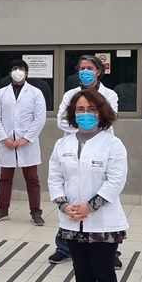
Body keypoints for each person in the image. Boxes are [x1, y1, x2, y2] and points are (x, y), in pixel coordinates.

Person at [48, 88, 128, 282]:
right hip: (71, 220)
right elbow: (55, 178)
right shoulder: (62, 144)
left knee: (103, 271)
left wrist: (91, 206)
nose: (85, 114)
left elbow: (116, 181)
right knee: (81, 270)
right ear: (73, 114)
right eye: (80, 110)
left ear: (101, 113)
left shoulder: (113, 144)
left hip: (103, 222)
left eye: (91, 110)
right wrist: (64, 205)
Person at [51, 55, 121, 267]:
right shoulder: (70, 94)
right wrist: (82, 126)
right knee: (72, 195)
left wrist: (82, 124)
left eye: (89, 68)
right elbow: (61, 121)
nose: (84, 72)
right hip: (73, 150)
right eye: (82, 68)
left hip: (99, 150)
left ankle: (110, 251)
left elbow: (108, 120)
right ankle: (64, 247)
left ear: (98, 71)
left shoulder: (110, 94)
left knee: (101, 197)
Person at [0, 59, 48, 225]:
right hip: (7, 142)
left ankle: (36, 213)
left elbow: (40, 118)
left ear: (27, 73)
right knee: (5, 178)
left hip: (27, 143)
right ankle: (2, 210)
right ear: (10, 73)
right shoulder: (1, 93)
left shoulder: (36, 93)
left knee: (32, 179)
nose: (18, 72)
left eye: (21, 69)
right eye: (15, 69)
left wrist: (25, 139)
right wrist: (4, 138)